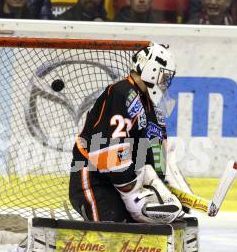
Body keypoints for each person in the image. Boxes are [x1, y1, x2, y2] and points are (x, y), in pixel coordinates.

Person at [69, 43, 184, 223]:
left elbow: (154, 155)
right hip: (93, 178)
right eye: (164, 76)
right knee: (113, 225)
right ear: (152, 70)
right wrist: (131, 192)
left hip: (123, 182)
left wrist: (166, 190)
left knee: (155, 221)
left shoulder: (151, 108)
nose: (164, 83)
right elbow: (108, 151)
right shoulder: (121, 93)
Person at [113, 0, 190, 23]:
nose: (142, 0)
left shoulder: (159, 23)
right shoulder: (117, 24)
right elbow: (122, 2)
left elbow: (182, 3)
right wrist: (168, 1)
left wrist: (176, 1)